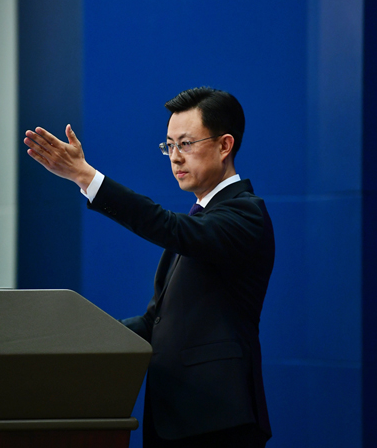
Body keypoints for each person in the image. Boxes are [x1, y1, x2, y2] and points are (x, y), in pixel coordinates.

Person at [24, 87, 274, 448]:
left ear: (224, 145)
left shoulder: (245, 213)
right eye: (169, 146)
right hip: (173, 417)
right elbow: (154, 322)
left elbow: (168, 227)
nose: (175, 157)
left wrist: (86, 177)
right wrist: (80, 337)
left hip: (217, 419)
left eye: (186, 144)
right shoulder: (200, 220)